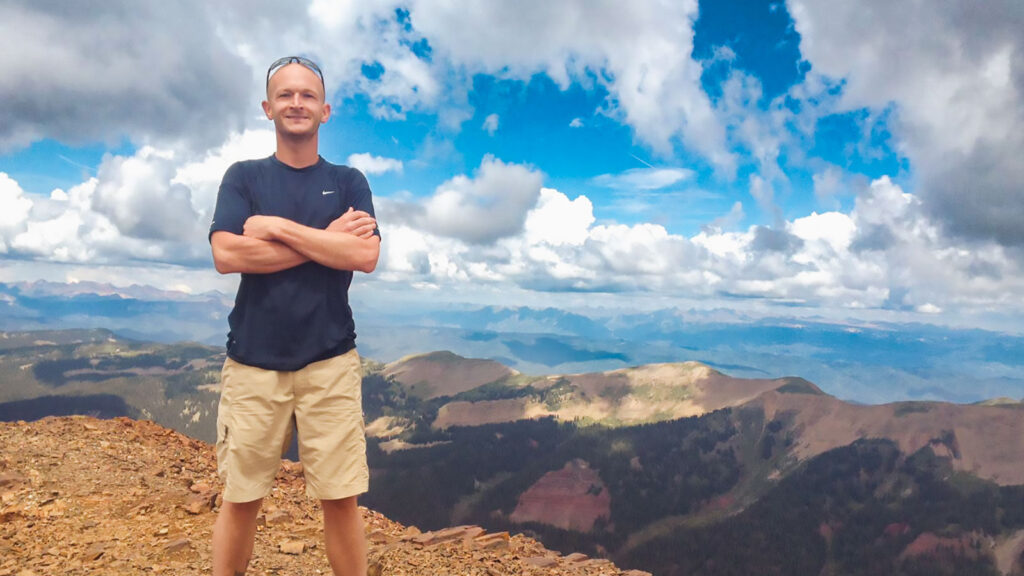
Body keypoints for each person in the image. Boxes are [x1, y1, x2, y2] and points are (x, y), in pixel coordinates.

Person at [208, 55, 380, 576]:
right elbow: (227, 256)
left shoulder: (349, 181)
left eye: (307, 95)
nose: (297, 103)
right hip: (253, 365)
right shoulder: (243, 177)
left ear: (326, 110)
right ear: (267, 108)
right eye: (286, 95)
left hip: (329, 362)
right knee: (240, 497)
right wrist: (328, 240)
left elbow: (365, 256)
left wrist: (273, 226)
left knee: (341, 499)